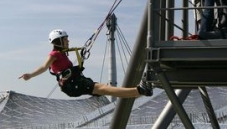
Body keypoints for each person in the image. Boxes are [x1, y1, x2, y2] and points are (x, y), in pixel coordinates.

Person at [19, 29, 153, 98]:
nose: (68, 42)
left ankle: (138, 92)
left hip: (75, 81)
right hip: (71, 85)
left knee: (102, 89)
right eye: (65, 40)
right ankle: (139, 91)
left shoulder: (63, 53)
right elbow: (44, 67)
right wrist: (30, 75)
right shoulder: (54, 55)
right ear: (58, 41)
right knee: (102, 88)